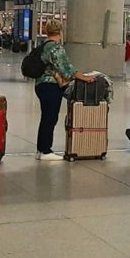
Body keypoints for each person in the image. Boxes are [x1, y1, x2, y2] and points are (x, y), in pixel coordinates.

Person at [33, 20, 95, 161]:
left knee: (46, 117)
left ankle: (41, 150)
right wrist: (86, 78)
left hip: (40, 85)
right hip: (51, 86)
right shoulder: (56, 48)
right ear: (60, 32)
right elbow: (67, 69)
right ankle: (45, 151)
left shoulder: (43, 46)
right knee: (50, 118)